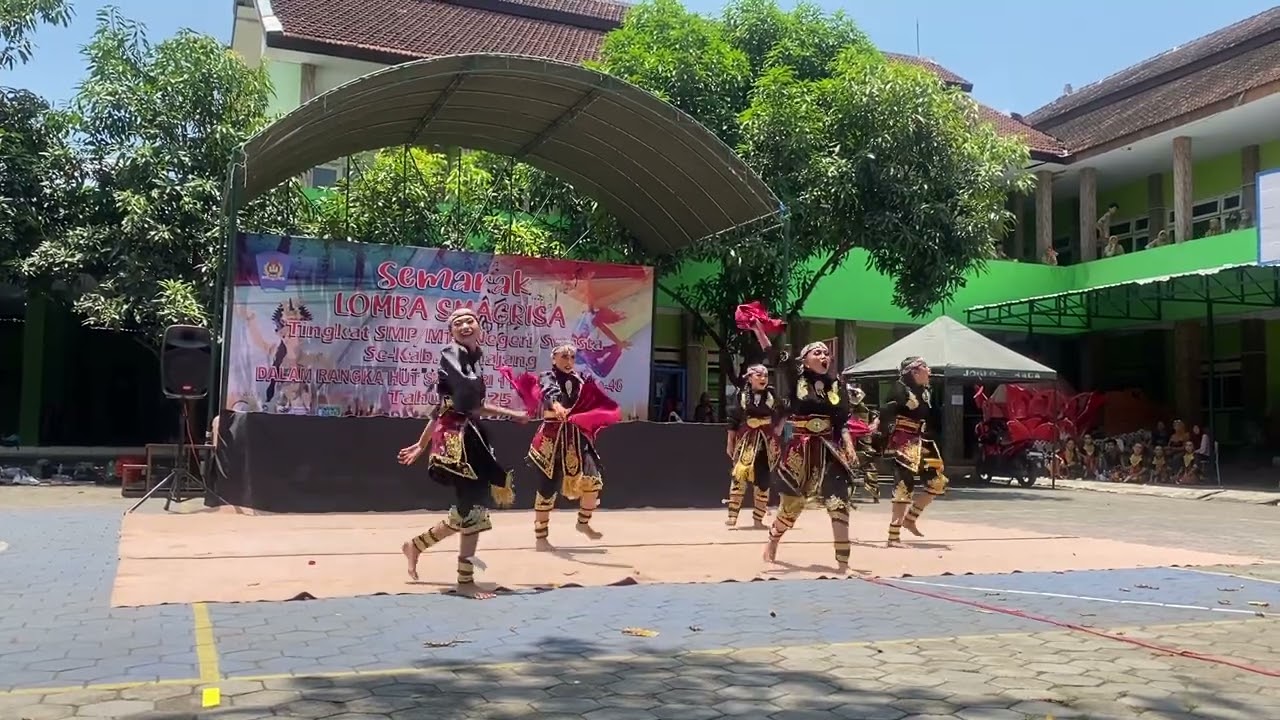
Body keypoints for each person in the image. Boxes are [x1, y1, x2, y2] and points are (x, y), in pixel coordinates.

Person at [397, 308, 528, 599]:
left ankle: (416, 545)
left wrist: (420, 444)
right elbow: (466, 404)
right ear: (451, 332)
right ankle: (464, 582)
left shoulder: (468, 361)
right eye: (458, 323)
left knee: (472, 508)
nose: (465, 325)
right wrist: (512, 413)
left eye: (470, 320)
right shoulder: (451, 354)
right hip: (455, 444)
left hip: (468, 438)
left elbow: (442, 407)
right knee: (471, 505)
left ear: (480, 326)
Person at [763, 340, 857, 573]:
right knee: (793, 505)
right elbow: (776, 357)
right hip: (799, 448)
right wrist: (759, 330)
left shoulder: (835, 385)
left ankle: (843, 563)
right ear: (805, 360)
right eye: (817, 353)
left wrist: (849, 444)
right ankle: (773, 539)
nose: (824, 356)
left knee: (839, 502)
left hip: (828, 449)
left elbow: (841, 421)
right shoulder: (797, 379)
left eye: (826, 353)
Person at [526, 343, 619, 549]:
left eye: (571, 358)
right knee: (547, 489)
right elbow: (548, 393)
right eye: (563, 357)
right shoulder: (546, 376)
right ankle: (541, 538)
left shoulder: (580, 380)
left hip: (576, 439)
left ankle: (583, 524)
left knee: (593, 480)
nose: (568, 362)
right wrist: (557, 405)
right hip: (552, 440)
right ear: (554, 359)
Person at [880, 356, 947, 546]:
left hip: (923, 440)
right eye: (925, 367)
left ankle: (910, 519)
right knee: (904, 484)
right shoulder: (899, 388)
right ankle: (894, 535)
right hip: (903, 441)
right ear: (914, 371)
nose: (930, 370)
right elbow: (885, 411)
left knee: (938, 481)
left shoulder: (925, 391)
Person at [725, 364, 781, 528]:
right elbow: (733, 420)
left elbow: (783, 411)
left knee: (763, 480)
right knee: (739, 474)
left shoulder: (771, 395)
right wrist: (730, 443)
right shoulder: (741, 395)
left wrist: (778, 428)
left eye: (765, 376)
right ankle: (732, 516)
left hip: (765, 441)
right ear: (750, 378)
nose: (763, 379)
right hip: (747, 440)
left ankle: (758, 520)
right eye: (759, 376)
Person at [846, 383, 881, 502]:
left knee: (867, 459)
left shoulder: (862, 405)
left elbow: (874, 413)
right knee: (845, 462)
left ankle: (874, 491)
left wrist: (875, 422)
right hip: (847, 435)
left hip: (862, 435)